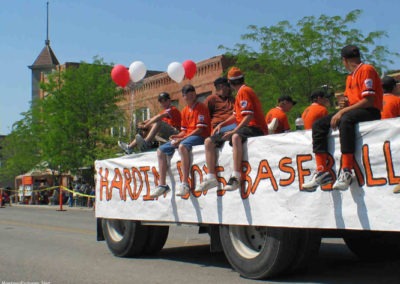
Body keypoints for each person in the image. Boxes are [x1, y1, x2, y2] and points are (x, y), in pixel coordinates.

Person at [302, 45, 383, 191]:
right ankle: (322, 170)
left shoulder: (366, 69)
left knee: (345, 120)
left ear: (344, 60)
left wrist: (342, 111)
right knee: (319, 125)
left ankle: (346, 169)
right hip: (355, 110)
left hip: (370, 111)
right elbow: (349, 100)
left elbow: (368, 101)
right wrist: (344, 104)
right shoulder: (350, 77)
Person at [208, 67, 267, 192]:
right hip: (245, 127)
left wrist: (234, 131)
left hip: (255, 127)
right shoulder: (240, 93)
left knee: (235, 137)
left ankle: (236, 176)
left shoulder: (244, 91)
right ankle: (211, 177)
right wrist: (222, 124)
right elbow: (236, 115)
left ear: (230, 83)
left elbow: (248, 115)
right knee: (209, 141)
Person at [150, 84, 211, 197]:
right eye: (188, 95)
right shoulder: (184, 110)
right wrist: (177, 137)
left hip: (201, 136)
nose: (191, 96)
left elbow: (199, 129)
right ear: (184, 97)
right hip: (188, 136)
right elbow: (184, 130)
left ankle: (185, 183)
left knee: (182, 146)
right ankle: (162, 185)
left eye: (193, 94)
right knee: (160, 151)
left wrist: (182, 138)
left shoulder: (201, 107)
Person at [194, 77, 236, 192]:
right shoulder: (211, 99)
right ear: (222, 87)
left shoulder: (233, 100)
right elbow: (204, 116)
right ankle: (211, 177)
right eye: (228, 86)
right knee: (208, 142)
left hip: (235, 126)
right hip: (220, 129)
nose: (230, 89)